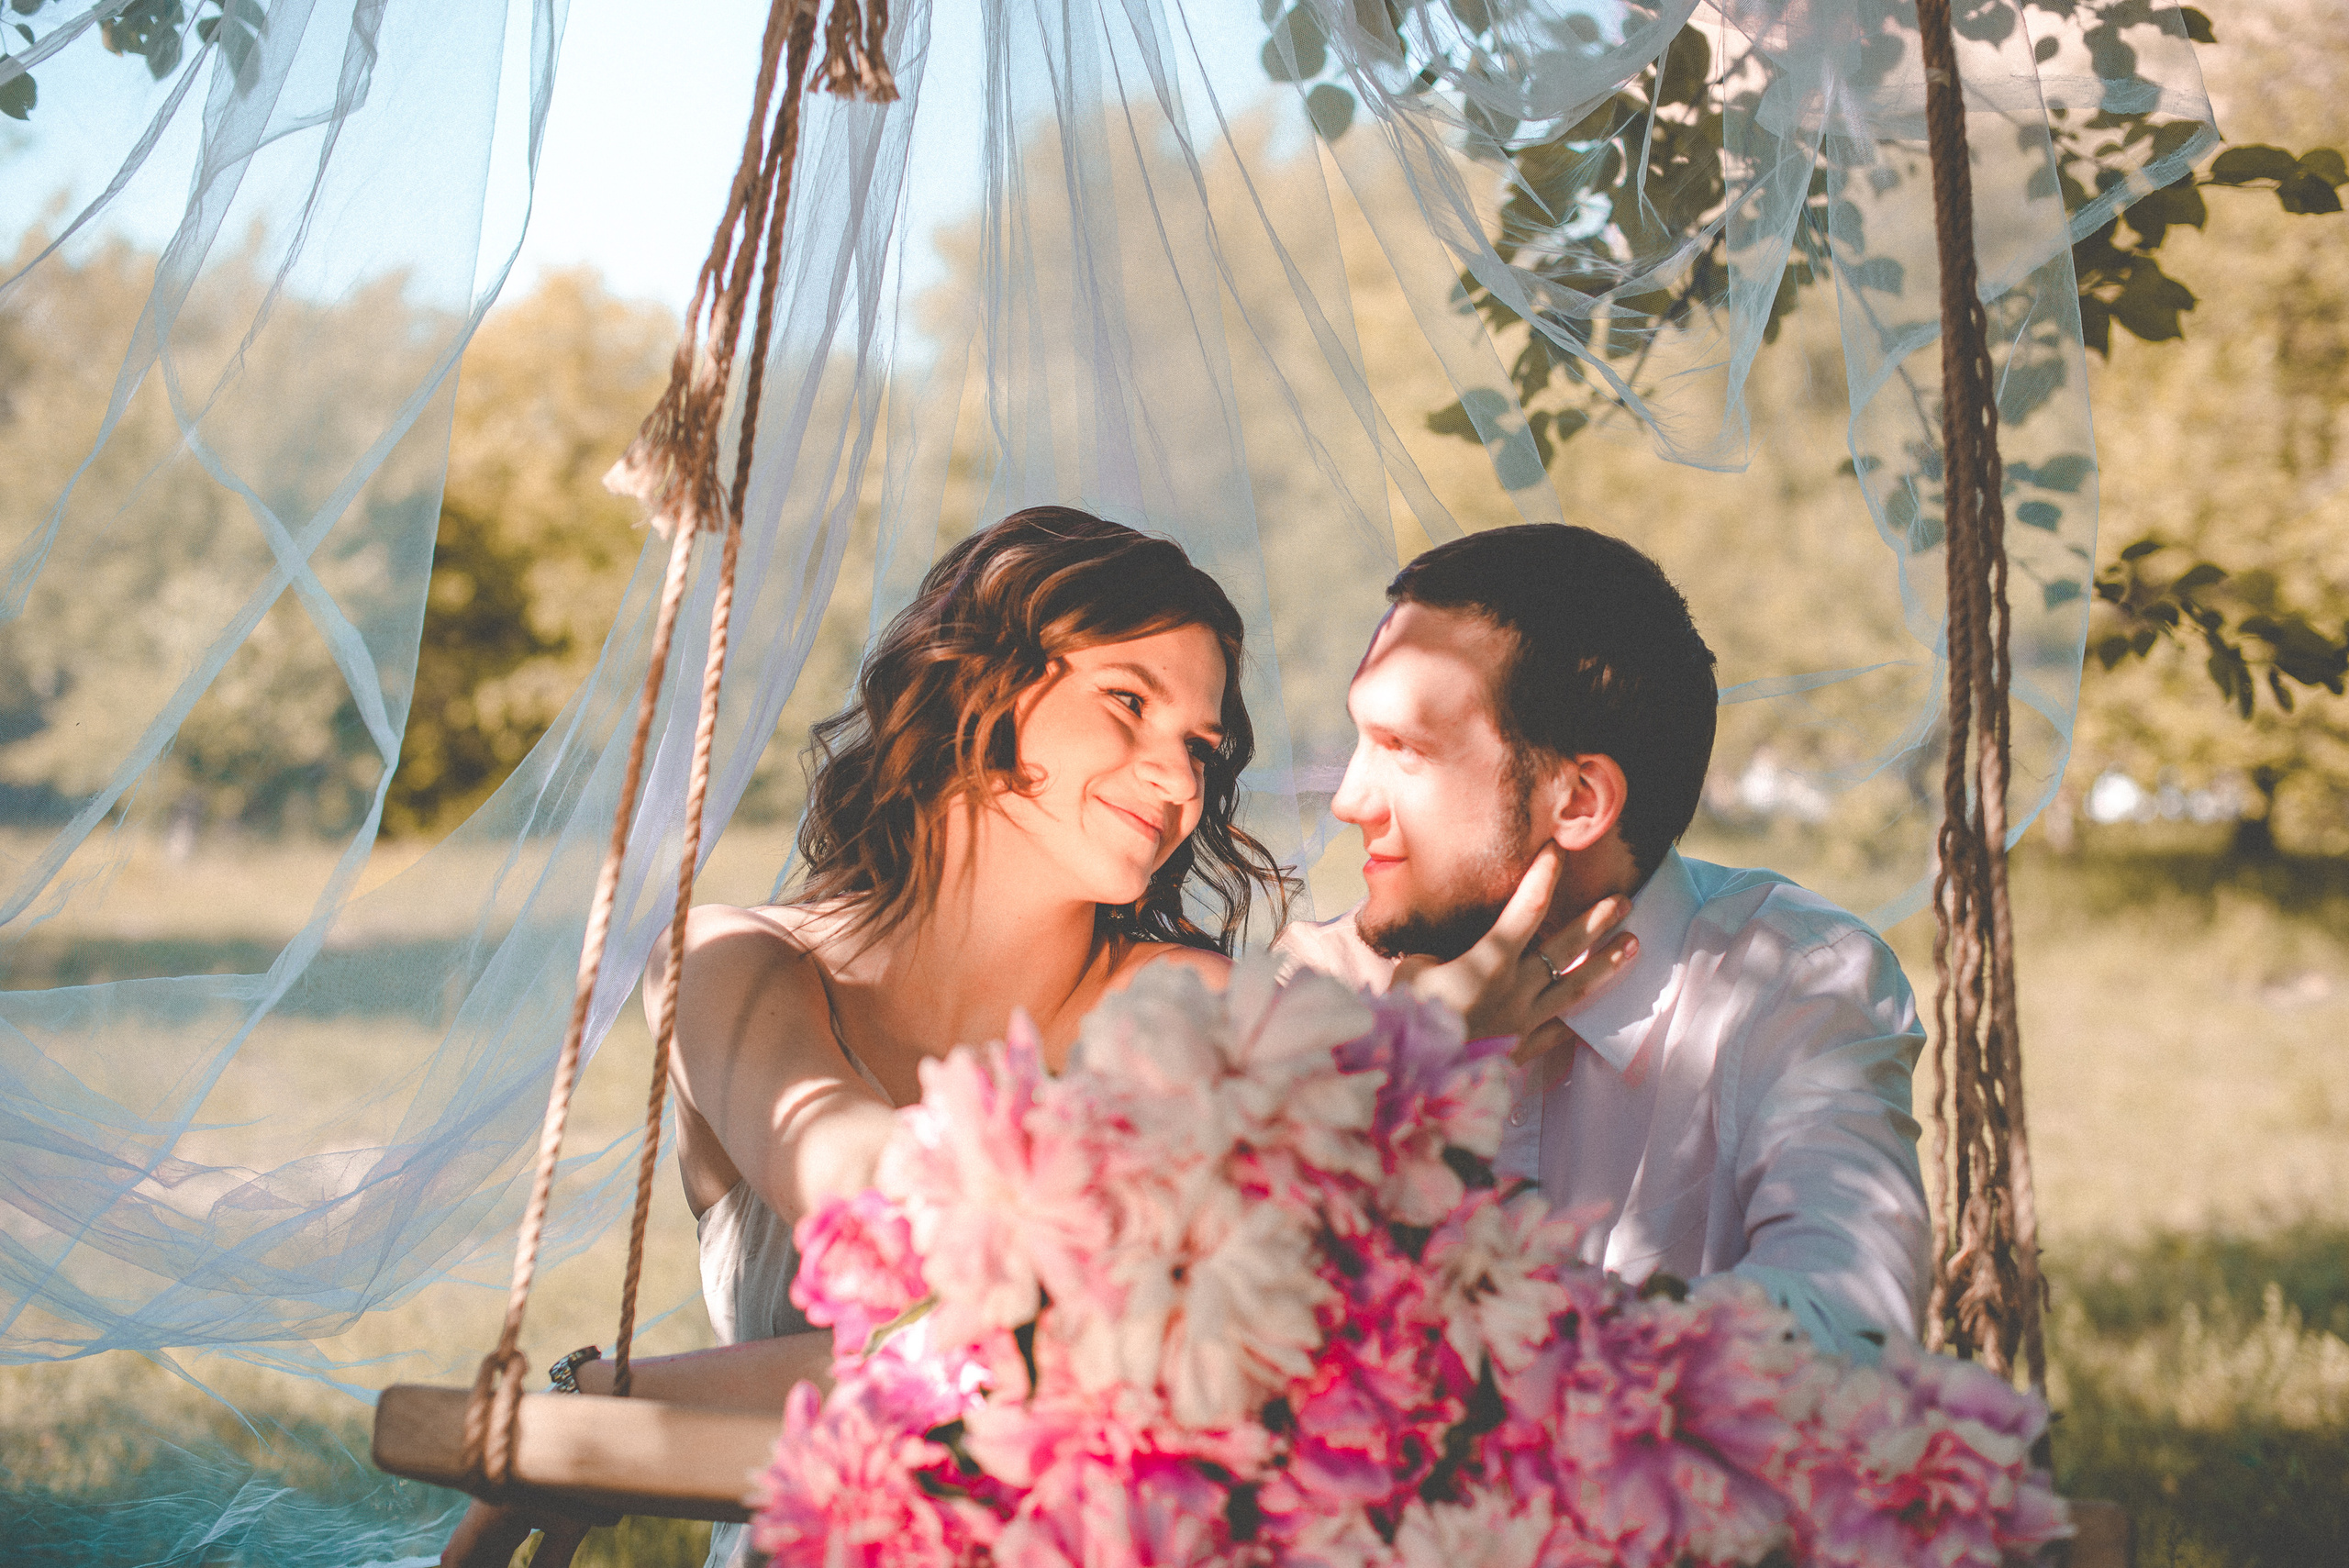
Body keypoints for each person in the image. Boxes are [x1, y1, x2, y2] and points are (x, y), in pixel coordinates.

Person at [440, 507, 1627, 1568]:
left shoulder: (1189, 999)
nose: (1173, 778)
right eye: (1128, 705)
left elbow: (1182, 1342)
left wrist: (614, 1396)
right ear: (975, 689)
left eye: (1199, 748)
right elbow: (915, 1231)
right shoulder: (738, 963)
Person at [1275, 523, 1933, 1362]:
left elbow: (1854, 1330)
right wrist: (1413, 1079)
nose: (1348, 799)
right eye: (1360, 738)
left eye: (1404, 750)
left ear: (1580, 800)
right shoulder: (1323, 988)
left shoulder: (1792, 982)